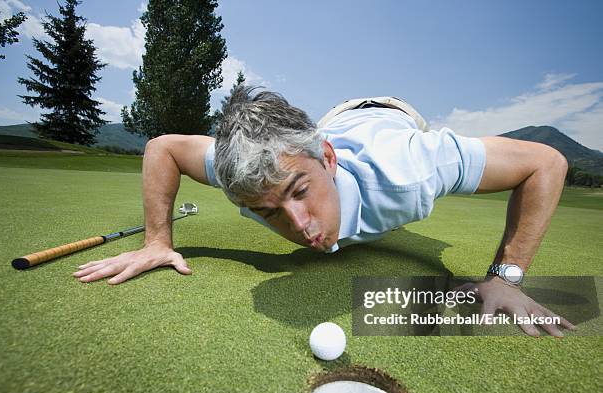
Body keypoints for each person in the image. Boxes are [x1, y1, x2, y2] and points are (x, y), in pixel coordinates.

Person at [73, 86, 576, 337]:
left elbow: (546, 163)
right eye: (268, 212)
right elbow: (162, 147)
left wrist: (506, 277)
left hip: (390, 114)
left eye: (299, 191)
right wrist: (157, 242)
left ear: (328, 160)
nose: (298, 227)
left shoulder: (414, 169)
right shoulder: (241, 177)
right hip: (330, 121)